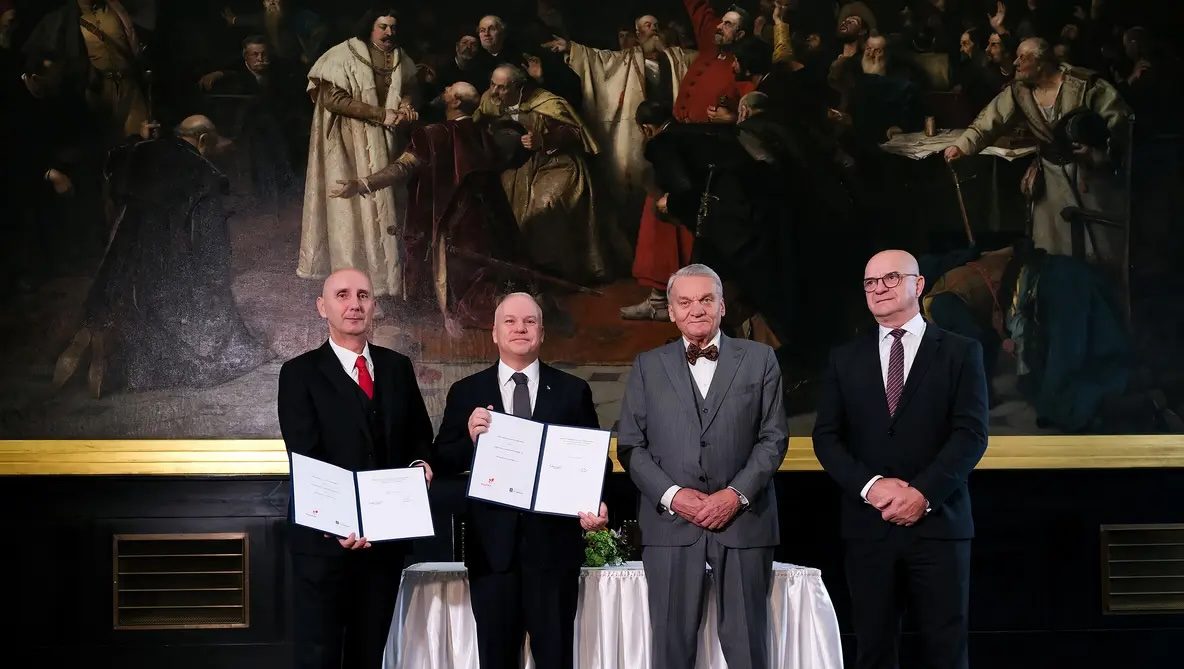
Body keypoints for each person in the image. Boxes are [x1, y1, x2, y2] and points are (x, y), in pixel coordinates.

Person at [813, 249, 989, 669]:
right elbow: (827, 438)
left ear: (919, 284)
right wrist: (873, 487)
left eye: (890, 278)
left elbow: (971, 434)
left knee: (946, 650)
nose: (879, 289)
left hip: (940, 525)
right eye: (871, 283)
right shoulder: (845, 357)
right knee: (873, 649)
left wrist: (922, 493)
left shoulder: (961, 352)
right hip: (867, 529)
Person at [617, 264, 788, 669]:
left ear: (722, 306)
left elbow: (773, 438)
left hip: (744, 524)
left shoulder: (761, 359)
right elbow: (631, 447)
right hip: (670, 528)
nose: (697, 309)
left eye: (706, 299)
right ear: (671, 312)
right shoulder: (647, 366)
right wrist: (674, 497)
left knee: (748, 650)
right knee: (671, 652)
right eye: (685, 301)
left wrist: (735, 495)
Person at [432, 292, 608, 669]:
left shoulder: (572, 391)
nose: (520, 328)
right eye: (510, 321)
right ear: (494, 333)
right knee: (496, 660)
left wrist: (597, 500)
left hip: (554, 552)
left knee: (556, 658)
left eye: (529, 321)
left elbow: (595, 464)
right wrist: (468, 437)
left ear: (542, 333)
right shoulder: (466, 392)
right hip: (491, 555)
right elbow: (442, 461)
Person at [277, 267, 434, 669]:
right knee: (321, 655)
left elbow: (419, 436)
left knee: (370, 653)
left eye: (363, 295)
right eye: (343, 295)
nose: (354, 304)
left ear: (373, 306)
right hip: (324, 544)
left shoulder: (398, 367)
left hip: (385, 544)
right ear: (322, 307)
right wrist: (340, 523)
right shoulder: (298, 374)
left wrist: (421, 465)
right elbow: (306, 455)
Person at [52, 115, 272, 398]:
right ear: (203, 140)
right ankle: (110, 350)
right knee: (217, 333)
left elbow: (110, 171)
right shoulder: (204, 175)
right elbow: (210, 253)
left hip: (118, 270)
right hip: (162, 281)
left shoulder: (140, 151)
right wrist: (216, 288)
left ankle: (89, 338)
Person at [329, 82, 522, 338]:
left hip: (444, 222)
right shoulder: (482, 133)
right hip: (480, 225)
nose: (444, 90)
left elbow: (402, 168)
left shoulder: (431, 134)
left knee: (448, 284)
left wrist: (362, 184)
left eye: (448, 89)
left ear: (453, 101)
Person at [543, 16, 698, 305]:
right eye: (642, 28)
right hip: (639, 141)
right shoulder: (627, 61)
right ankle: (642, 268)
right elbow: (598, 60)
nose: (648, 31)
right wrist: (570, 49)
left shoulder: (681, 59)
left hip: (674, 139)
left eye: (652, 25)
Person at [944, 38, 1131, 263]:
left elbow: (1121, 123)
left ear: (1041, 62)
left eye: (1022, 57)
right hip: (1050, 181)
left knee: (1099, 248)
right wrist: (961, 146)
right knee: (1051, 247)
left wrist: (1097, 152)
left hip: (1089, 176)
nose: (1015, 62)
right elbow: (989, 121)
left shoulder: (1085, 84)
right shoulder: (1019, 91)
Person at [298, 7, 420, 312]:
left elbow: (409, 89)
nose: (389, 33)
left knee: (385, 210)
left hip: (386, 144)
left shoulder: (401, 57)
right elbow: (332, 99)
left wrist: (406, 107)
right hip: (347, 144)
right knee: (351, 217)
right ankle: (353, 292)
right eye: (383, 26)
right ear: (370, 27)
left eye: (393, 27)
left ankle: (385, 288)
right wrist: (381, 114)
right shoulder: (342, 54)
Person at [475, 63, 617, 285]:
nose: (494, 92)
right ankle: (521, 270)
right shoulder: (489, 101)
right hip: (518, 167)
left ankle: (554, 270)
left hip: (557, 164)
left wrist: (544, 140)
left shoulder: (546, 102)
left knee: (545, 204)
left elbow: (574, 132)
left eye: (501, 88)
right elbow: (477, 126)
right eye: (492, 85)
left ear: (519, 87)